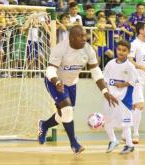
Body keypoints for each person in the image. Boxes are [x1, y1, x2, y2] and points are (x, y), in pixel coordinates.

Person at [38, 25, 118, 154]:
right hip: (55, 81)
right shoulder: (60, 49)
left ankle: (45, 124)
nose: (84, 38)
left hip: (72, 84)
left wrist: (105, 91)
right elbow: (50, 70)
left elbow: (96, 72)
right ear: (71, 38)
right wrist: (56, 81)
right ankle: (74, 144)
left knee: (63, 114)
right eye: (80, 36)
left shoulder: (88, 50)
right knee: (68, 110)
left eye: (85, 35)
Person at [103, 40, 143, 154]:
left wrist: (123, 84)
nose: (121, 52)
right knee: (106, 121)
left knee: (125, 123)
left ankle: (129, 145)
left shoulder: (130, 66)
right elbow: (104, 80)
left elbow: (136, 82)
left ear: (128, 52)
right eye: (119, 49)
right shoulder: (110, 64)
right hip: (110, 98)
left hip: (123, 98)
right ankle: (113, 140)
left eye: (124, 50)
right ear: (116, 49)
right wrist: (106, 93)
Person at [127, 22, 145, 144]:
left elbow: (142, 61)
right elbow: (129, 61)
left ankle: (126, 133)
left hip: (141, 78)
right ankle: (135, 134)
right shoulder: (134, 44)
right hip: (134, 78)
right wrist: (144, 69)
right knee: (140, 105)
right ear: (140, 31)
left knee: (134, 106)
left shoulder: (144, 44)